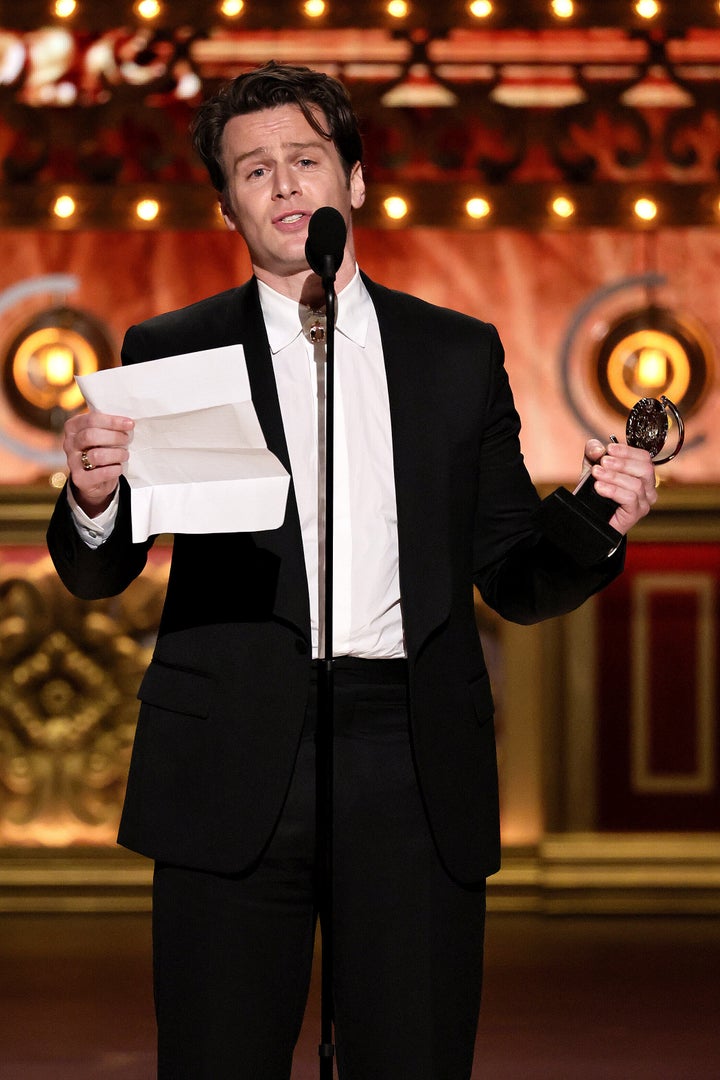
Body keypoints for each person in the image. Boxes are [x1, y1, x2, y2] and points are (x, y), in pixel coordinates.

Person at [47, 61, 657, 1080]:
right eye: (254, 171)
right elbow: (101, 575)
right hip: (233, 754)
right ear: (228, 204)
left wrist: (600, 516)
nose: (284, 187)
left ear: (355, 183)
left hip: (408, 754)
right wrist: (95, 499)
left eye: (305, 160)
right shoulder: (171, 349)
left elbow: (512, 573)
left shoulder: (455, 354)